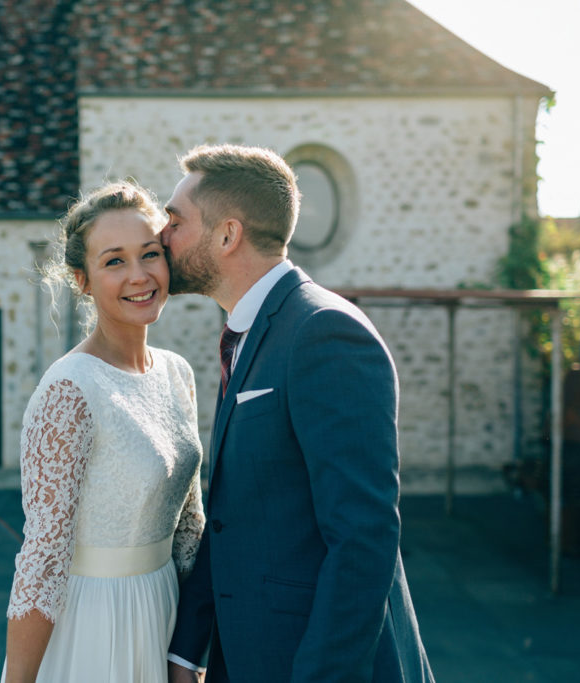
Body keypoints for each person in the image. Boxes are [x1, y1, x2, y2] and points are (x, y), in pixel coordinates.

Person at [162, 144, 434, 683]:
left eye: (175, 221)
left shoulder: (325, 334)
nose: (161, 235)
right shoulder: (249, 331)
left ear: (227, 234)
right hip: (249, 653)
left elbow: (364, 538)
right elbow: (233, 510)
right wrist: (186, 648)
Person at [3, 181, 205, 682]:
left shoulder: (177, 373)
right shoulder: (69, 390)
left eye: (150, 254)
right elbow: (42, 560)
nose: (139, 275)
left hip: (166, 613)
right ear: (82, 280)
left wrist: (192, 651)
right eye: (114, 261)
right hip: (94, 624)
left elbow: (189, 530)